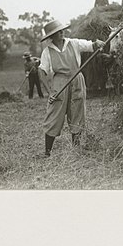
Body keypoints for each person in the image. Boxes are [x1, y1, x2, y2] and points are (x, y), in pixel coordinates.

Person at [36, 20, 104, 157]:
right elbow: (41, 72)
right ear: (52, 36)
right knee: (54, 114)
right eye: (57, 32)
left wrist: (98, 43)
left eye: (62, 30)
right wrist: (50, 92)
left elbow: (91, 45)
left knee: (77, 111)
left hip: (76, 79)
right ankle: (47, 152)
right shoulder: (47, 52)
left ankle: (76, 149)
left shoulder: (73, 43)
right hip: (59, 83)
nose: (61, 33)